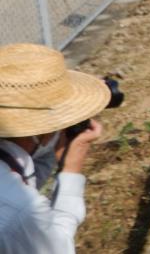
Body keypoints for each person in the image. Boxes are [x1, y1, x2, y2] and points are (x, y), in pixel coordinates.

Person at [0, 43, 110, 253]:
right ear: (46, 130)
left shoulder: (11, 169)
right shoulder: (21, 210)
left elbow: (26, 177)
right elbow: (57, 247)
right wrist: (71, 172)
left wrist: (51, 148)